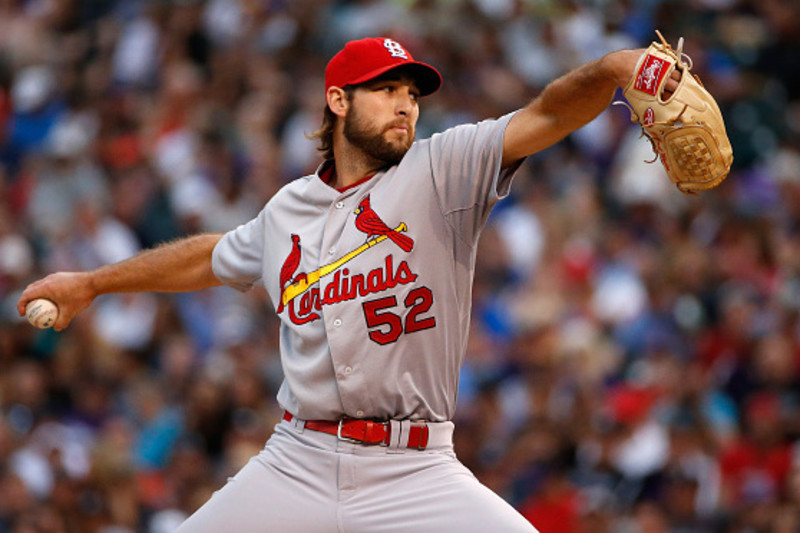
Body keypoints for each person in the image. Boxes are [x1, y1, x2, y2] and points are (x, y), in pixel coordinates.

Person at [19, 36, 679, 532]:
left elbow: (547, 114)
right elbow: (209, 256)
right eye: (387, 88)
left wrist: (619, 71)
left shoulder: (443, 169)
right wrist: (93, 282)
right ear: (338, 100)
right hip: (296, 458)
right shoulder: (286, 211)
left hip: (415, 468)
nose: (406, 104)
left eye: (413, 94)